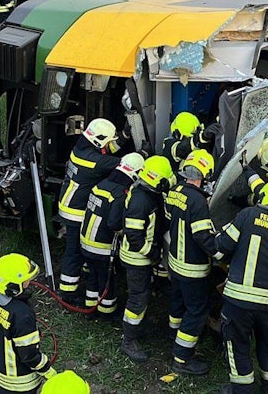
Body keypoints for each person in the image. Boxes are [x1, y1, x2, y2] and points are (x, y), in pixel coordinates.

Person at [216, 180, 268, 394]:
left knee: (238, 344)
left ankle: (242, 389)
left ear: (264, 198)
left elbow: (223, 246)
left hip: (239, 301)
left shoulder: (248, 215)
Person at [166, 149, 222, 376]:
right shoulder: (198, 201)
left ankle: (174, 333)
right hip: (193, 268)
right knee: (197, 311)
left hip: (175, 262)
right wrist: (219, 252)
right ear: (205, 173)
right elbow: (202, 237)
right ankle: (182, 357)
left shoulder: (175, 191)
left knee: (178, 301)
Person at [58, 118, 121, 305]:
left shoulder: (81, 148)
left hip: (70, 205)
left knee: (79, 250)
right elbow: (115, 163)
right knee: (74, 251)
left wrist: (123, 137)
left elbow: (106, 152)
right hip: (75, 211)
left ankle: (82, 279)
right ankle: (68, 292)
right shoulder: (93, 161)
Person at [119, 155, 176, 363]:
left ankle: (136, 329)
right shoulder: (141, 200)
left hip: (141, 256)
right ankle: (129, 339)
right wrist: (151, 253)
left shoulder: (147, 192)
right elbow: (134, 236)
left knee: (141, 295)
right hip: (136, 258)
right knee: (138, 298)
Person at [79, 152, 143, 318]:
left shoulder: (101, 184)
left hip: (85, 242)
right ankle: (107, 312)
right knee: (106, 280)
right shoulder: (120, 194)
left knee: (92, 275)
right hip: (102, 247)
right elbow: (113, 224)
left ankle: (90, 308)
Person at [0, 253, 57, 393]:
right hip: (21, 383)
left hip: (0, 375)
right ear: (13, 286)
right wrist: (48, 370)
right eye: (26, 280)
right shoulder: (22, 314)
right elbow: (29, 355)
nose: (29, 282)